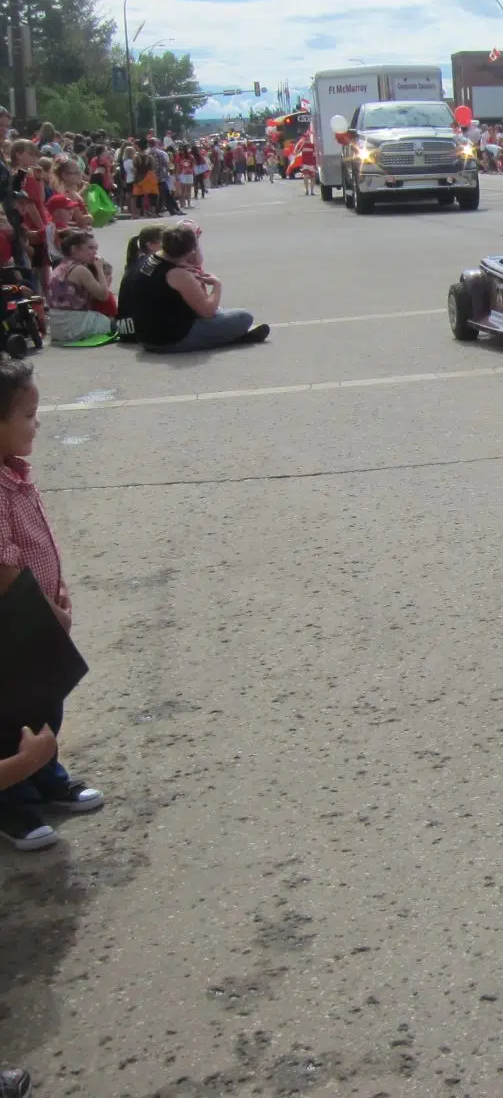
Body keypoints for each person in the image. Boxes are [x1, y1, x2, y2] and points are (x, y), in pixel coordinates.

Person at [0, 358, 105, 852]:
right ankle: (12, 800)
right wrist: (46, 612)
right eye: (27, 415)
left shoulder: (13, 472)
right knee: (10, 712)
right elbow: (4, 566)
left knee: (46, 700)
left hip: (35, 618)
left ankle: (44, 774)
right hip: (13, 622)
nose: (36, 424)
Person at [127, 224, 268, 352]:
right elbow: (207, 311)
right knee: (244, 317)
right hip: (171, 339)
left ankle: (223, 335)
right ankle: (228, 338)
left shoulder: (150, 260)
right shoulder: (177, 274)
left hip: (146, 336)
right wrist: (217, 285)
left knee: (219, 312)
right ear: (190, 251)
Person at [46, 230, 116, 342]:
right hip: (75, 325)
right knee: (116, 324)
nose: (95, 252)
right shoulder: (80, 269)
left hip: (57, 326)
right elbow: (103, 295)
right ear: (74, 249)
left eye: (96, 249)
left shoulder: (59, 267)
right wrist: (99, 269)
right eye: (90, 248)